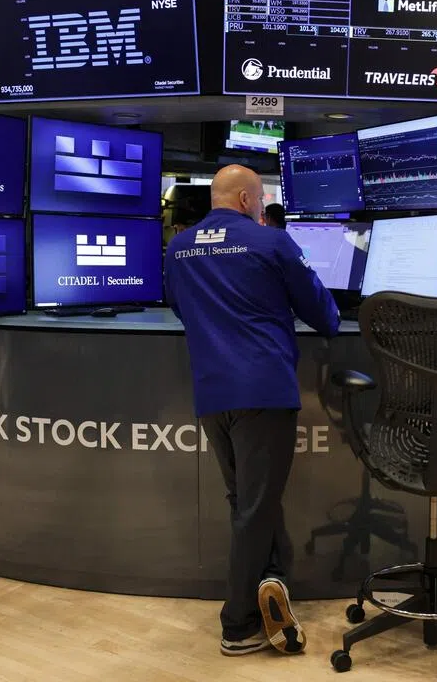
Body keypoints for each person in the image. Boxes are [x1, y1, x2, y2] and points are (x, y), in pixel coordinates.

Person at [164, 165, 340, 657]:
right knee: (255, 505)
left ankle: (271, 580)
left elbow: (180, 307)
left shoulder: (179, 248)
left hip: (212, 394)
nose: (262, 207)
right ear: (246, 199)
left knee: (247, 502)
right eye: (260, 200)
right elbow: (323, 314)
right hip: (264, 389)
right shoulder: (273, 242)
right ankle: (238, 624)